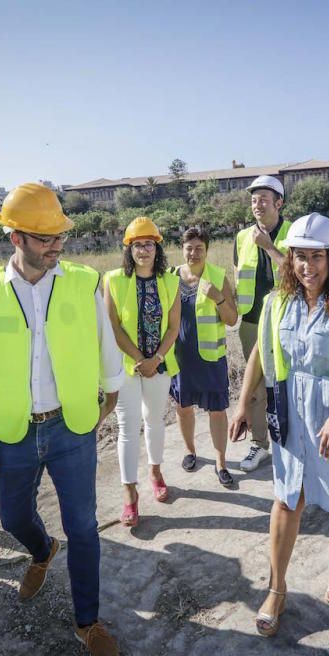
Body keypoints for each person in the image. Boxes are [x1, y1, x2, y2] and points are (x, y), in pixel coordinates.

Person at [0, 183, 123, 656]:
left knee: (85, 527)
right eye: (44, 238)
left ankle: (88, 622)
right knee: (12, 518)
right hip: (14, 429)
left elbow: (104, 340)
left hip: (71, 427)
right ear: (15, 238)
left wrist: (111, 393)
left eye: (59, 237)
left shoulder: (84, 281)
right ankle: (42, 549)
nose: (56, 246)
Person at [228, 213, 329, 637]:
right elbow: (259, 354)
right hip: (292, 415)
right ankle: (277, 589)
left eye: (316, 256)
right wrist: (243, 404)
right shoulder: (277, 302)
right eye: (299, 256)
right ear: (289, 258)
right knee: (286, 498)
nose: (306, 266)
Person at [105, 217, 181, 527]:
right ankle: (129, 493)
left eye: (149, 244)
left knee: (154, 421)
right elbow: (112, 324)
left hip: (160, 366)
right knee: (128, 426)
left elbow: (174, 326)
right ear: (129, 249)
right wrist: (139, 358)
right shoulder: (112, 280)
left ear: (157, 248)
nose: (144, 250)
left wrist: (156, 358)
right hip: (128, 367)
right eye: (137, 245)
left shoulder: (171, 281)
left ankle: (155, 471)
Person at [233, 175, 292, 472]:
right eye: (254, 200)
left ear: (279, 203)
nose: (258, 205)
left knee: (287, 383)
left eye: (264, 199)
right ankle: (259, 445)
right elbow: (237, 275)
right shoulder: (242, 237)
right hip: (251, 321)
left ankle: (293, 441)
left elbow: (298, 274)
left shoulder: (294, 233)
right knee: (255, 387)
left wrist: (269, 247)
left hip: (285, 322)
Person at [170, 227, 239, 486]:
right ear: (182, 249)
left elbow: (232, 319)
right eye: (189, 248)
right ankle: (191, 451)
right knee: (182, 407)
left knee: (217, 411)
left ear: (207, 251)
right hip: (180, 359)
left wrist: (218, 298)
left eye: (199, 248)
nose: (194, 253)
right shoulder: (170, 276)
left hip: (211, 359)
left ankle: (221, 463)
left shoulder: (218, 277)